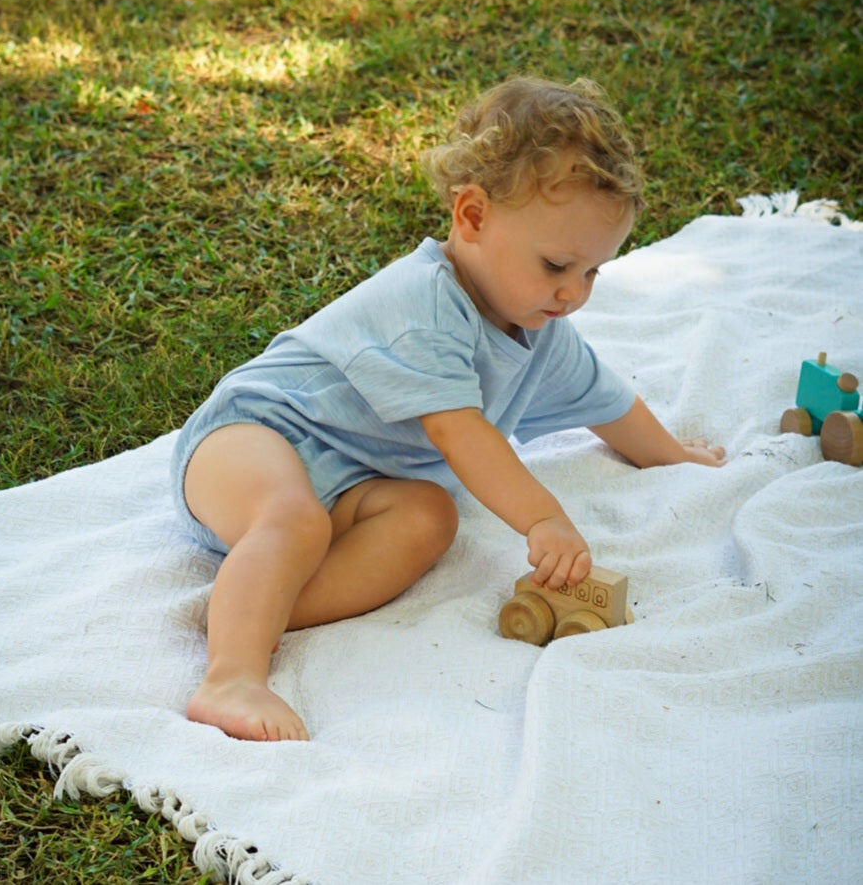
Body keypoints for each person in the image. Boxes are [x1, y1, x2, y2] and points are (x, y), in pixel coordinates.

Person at [170, 77, 725, 743]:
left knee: (429, 517)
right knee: (291, 517)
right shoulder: (426, 306)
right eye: (556, 264)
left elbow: (607, 402)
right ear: (473, 217)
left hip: (349, 481)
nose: (573, 293)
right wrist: (543, 518)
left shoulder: (538, 327)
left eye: (592, 273)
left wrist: (673, 454)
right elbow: (461, 434)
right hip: (252, 436)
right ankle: (230, 676)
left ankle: (255, 604)